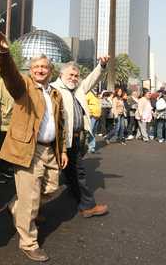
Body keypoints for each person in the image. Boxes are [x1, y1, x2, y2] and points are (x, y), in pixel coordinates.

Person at [0, 30, 68, 262]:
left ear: (51, 71)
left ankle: (16, 205)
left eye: (45, 67)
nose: (41, 70)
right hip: (29, 150)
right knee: (30, 201)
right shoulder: (23, 87)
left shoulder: (55, 93)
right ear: (30, 70)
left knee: (51, 189)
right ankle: (28, 242)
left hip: (50, 149)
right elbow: (9, 75)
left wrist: (61, 151)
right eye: (36, 67)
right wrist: (4, 52)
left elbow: (60, 125)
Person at [51, 58, 109, 218]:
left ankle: (87, 206)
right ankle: (24, 208)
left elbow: (92, 78)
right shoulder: (53, 89)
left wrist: (101, 66)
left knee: (77, 172)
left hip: (75, 140)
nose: (74, 78)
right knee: (46, 178)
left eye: (76, 76)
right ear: (61, 74)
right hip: (57, 142)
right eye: (71, 75)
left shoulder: (78, 89)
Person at [86, 86, 101, 153]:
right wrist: (89, 113)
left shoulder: (96, 95)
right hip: (91, 116)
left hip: (97, 116)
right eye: (95, 85)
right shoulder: (89, 93)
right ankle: (90, 147)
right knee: (90, 132)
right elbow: (85, 103)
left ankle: (92, 147)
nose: (96, 87)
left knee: (93, 132)